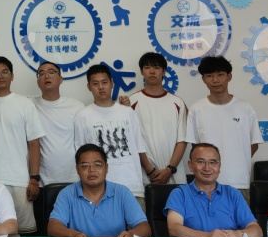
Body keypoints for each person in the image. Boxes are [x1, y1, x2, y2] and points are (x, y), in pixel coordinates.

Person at [0, 56, 46, 233]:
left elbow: (34, 144)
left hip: (19, 180)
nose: (0, 76)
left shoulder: (25, 104)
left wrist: (34, 179)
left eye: (5, 72)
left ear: (12, 76)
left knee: (23, 232)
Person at [73, 63, 150, 205]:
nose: (101, 87)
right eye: (95, 84)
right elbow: (81, 154)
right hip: (98, 189)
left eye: (104, 82)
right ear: (89, 87)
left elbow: (139, 147)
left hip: (132, 186)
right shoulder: (82, 116)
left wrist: (151, 171)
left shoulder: (128, 112)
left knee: (138, 220)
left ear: (112, 83)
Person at [47, 144, 151, 237]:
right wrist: (72, 234)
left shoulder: (122, 193)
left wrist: (131, 235)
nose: (92, 170)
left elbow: (144, 227)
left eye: (98, 165)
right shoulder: (66, 194)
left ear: (106, 168)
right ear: (77, 169)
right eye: (85, 166)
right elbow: (53, 227)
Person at [185, 56, 261, 194]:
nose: (215, 80)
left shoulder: (245, 108)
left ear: (229, 76)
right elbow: (195, 148)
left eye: (220, 75)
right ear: (203, 79)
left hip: (238, 182)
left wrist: (238, 162)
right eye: (209, 76)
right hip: (207, 183)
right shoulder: (196, 109)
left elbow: (254, 144)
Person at [165, 143, 261, 237]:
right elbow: (173, 228)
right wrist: (206, 236)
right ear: (191, 166)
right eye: (201, 162)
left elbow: (257, 230)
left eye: (213, 162)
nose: (207, 168)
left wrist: (240, 235)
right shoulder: (180, 194)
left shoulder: (233, 194)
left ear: (219, 167)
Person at [129, 52, 188, 186]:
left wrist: (170, 169)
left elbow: (182, 140)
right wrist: (150, 170)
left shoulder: (177, 103)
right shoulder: (131, 102)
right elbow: (132, 140)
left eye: (156, 68)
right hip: (144, 176)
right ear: (141, 71)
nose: (152, 72)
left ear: (164, 71)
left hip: (174, 176)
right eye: (147, 67)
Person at [32, 61, 84, 186]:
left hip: (73, 178)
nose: (46, 76)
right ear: (38, 82)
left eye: (51, 72)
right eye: (41, 73)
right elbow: (6, 101)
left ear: (60, 79)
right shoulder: (29, 105)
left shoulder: (77, 106)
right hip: (43, 181)